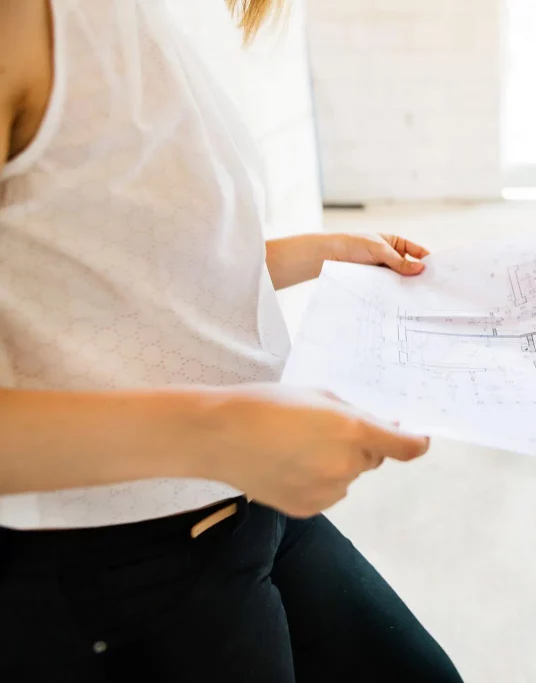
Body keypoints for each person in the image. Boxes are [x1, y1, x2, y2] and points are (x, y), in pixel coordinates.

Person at [0, 1, 462, 681]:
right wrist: (218, 430)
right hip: (115, 564)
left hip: (250, 502)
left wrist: (316, 252)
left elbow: (117, 272)